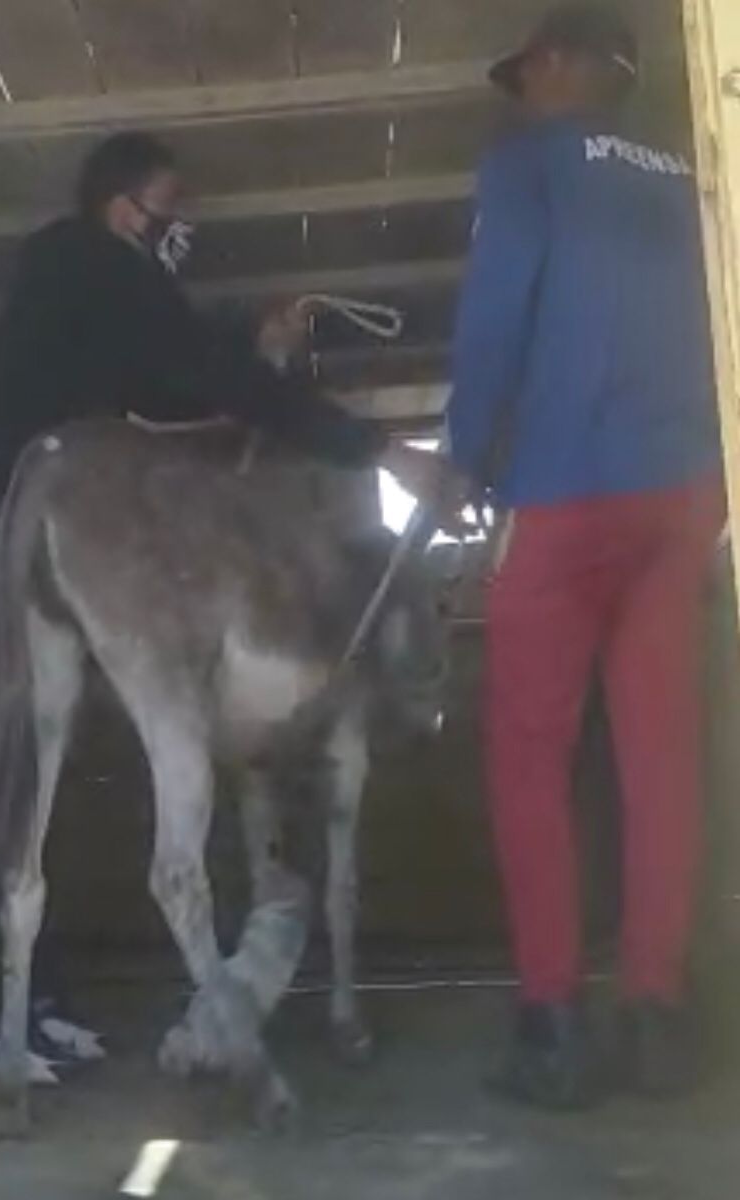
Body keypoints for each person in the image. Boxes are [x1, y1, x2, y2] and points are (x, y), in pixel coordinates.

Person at [0, 131, 441, 1080]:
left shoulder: (81, 300)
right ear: (121, 208)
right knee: (2, 760)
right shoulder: (88, 262)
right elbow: (201, 372)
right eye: (166, 208)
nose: (175, 228)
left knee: (31, 754)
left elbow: (176, 388)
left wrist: (255, 359)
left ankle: (37, 1003)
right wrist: (370, 446)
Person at [446, 3, 723, 1110]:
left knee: (529, 759)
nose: (518, 93)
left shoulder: (528, 167)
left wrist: (465, 453)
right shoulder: (694, 169)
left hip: (564, 493)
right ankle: (655, 1017)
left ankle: (553, 1026)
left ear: (563, 67)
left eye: (525, 74)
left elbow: (493, 318)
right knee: (662, 760)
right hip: (682, 495)